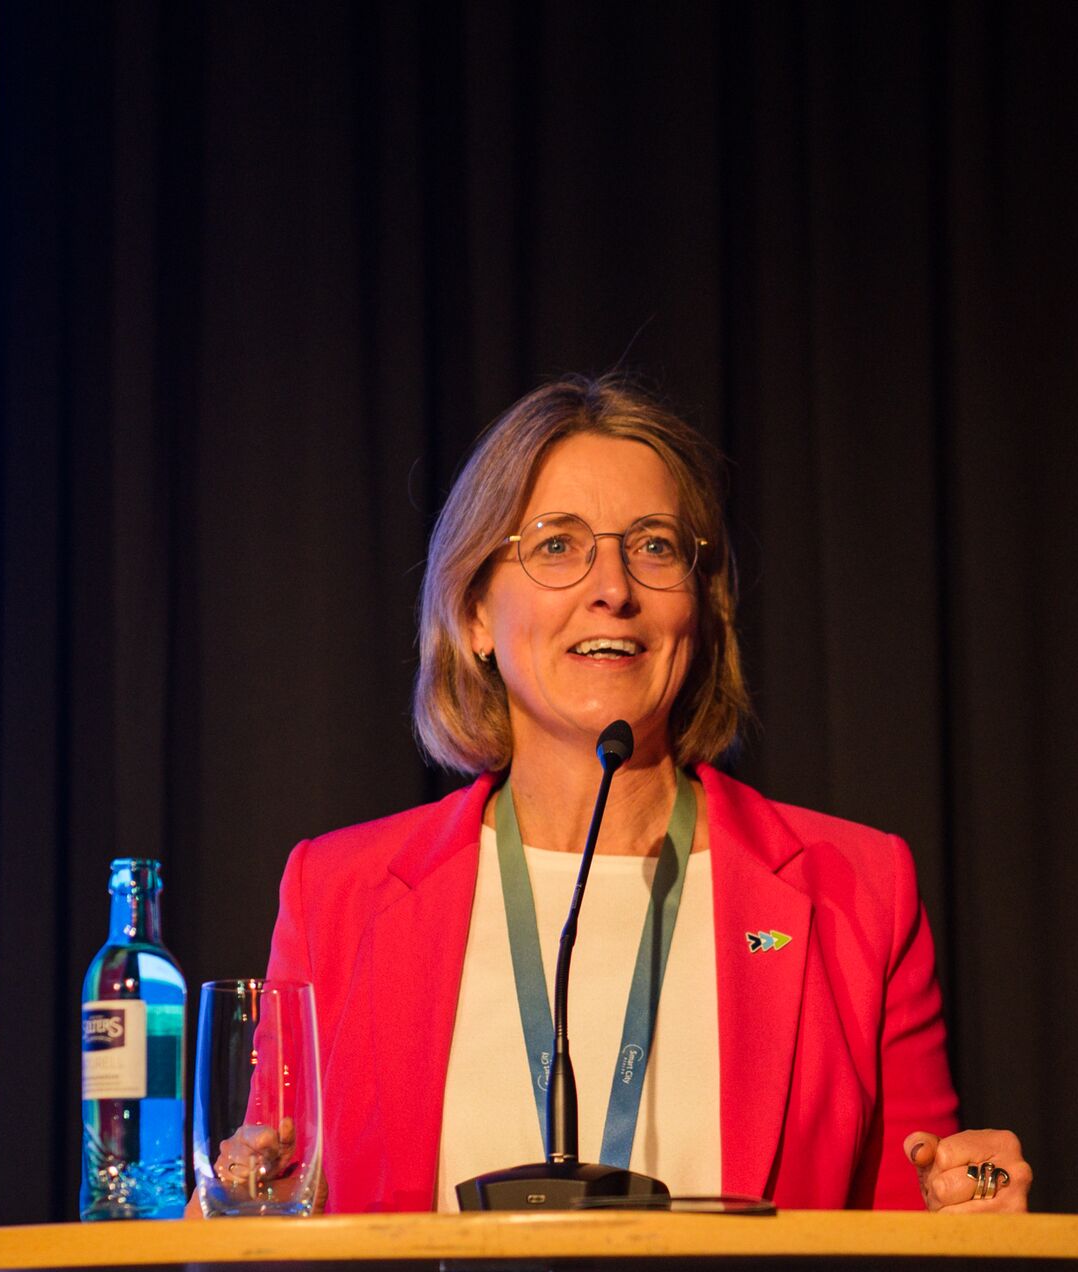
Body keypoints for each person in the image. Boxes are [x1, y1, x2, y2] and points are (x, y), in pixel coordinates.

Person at [228, 374, 1031, 1216]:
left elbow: (926, 1237)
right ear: (474, 612)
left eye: (654, 546)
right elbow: (262, 1214)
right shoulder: (337, 896)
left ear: (700, 610)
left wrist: (971, 1201)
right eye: (556, 545)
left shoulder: (856, 891)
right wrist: (237, 1198)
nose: (613, 587)